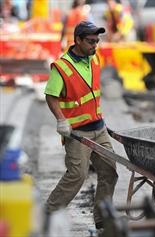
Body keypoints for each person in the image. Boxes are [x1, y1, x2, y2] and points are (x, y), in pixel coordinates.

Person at [44, 21, 118, 231]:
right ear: (77, 40)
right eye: (90, 41)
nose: (95, 46)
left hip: (99, 128)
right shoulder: (62, 67)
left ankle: (103, 218)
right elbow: (51, 96)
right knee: (77, 174)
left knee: (109, 172)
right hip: (77, 132)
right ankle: (49, 214)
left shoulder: (94, 59)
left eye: (97, 41)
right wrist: (61, 119)